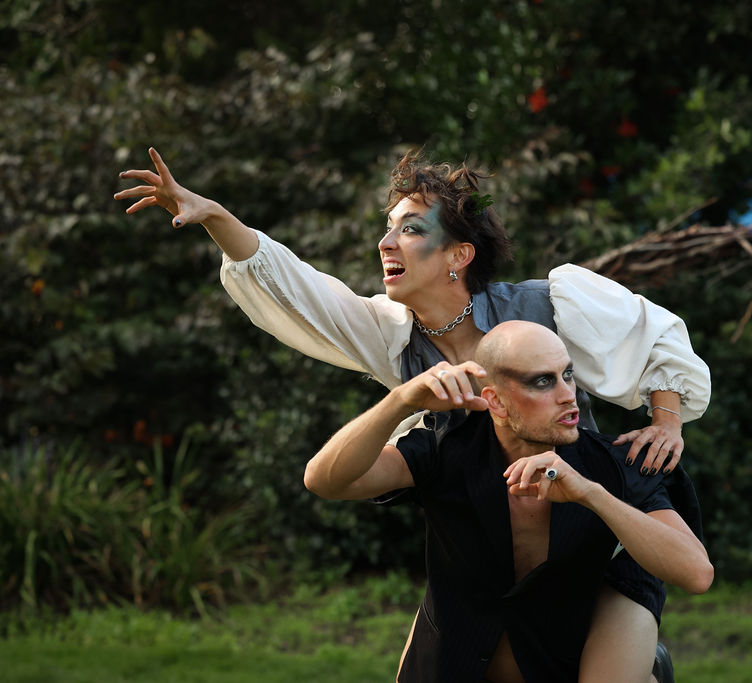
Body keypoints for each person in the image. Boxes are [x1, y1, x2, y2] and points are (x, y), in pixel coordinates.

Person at [114, 147, 712, 679]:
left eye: (410, 229)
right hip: (483, 525)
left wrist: (665, 421)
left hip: (590, 529)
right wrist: (215, 217)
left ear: (459, 255)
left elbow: (652, 338)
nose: (386, 243)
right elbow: (300, 290)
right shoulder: (392, 335)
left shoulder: (544, 306)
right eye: (387, 228)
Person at [305, 320, 713, 682]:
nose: (568, 395)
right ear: (495, 401)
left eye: (568, 375)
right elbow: (324, 480)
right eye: (543, 382)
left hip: (561, 666)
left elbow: (697, 574)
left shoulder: (613, 463)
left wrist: (591, 494)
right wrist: (401, 401)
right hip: (449, 663)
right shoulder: (445, 447)